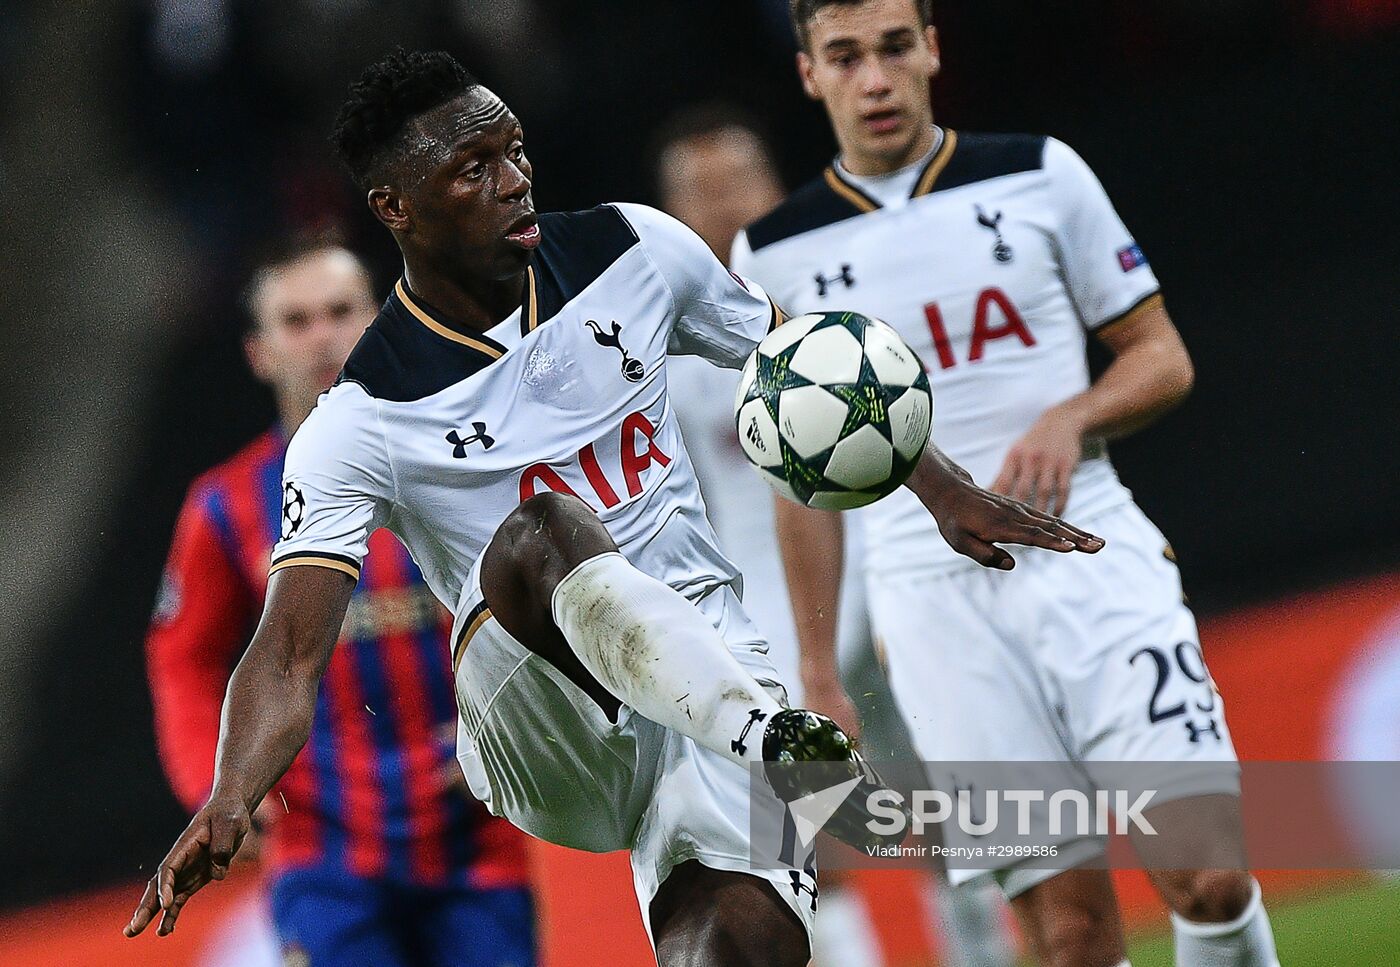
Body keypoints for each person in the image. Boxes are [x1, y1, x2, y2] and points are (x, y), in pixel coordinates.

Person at [125, 49, 1102, 967]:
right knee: (545, 527)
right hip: (541, 713)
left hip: (704, 667)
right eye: (472, 169)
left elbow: (812, 378)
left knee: (740, 943)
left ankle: (757, 753)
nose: (514, 180)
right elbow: (287, 651)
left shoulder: (635, 251)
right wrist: (230, 792)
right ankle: (775, 742)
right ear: (396, 207)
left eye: (514, 150)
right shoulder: (362, 417)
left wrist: (940, 489)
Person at [735, 2, 1283, 966]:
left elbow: (1161, 355)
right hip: (934, 611)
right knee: (1070, 936)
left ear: (932, 48)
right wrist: (818, 672)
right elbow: (800, 480)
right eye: (846, 57)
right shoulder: (773, 253)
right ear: (809, 74)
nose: (876, 80)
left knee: (1209, 875)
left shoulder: (1039, 173)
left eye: (895, 48)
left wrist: (1072, 416)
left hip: (1090, 559)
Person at [652, 104, 1014, 967]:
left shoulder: (843, 303)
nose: (723, 204)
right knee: (801, 823)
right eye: (699, 191)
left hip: (883, 574)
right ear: (671, 214)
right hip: (760, 607)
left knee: (941, 799)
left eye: (737, 180)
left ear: (775, 183)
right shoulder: (659, 347)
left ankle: (983, 951)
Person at [145, 240, 535, 967]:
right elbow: (183, 659)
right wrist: (217, 784)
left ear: (382, 320)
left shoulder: (469, 461)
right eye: (296, 321)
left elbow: (544, 610)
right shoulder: (225, 506)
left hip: (474, 834)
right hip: (321, 850)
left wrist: (522, 727)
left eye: (340, 311)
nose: (322, 336)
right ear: (259, 353)